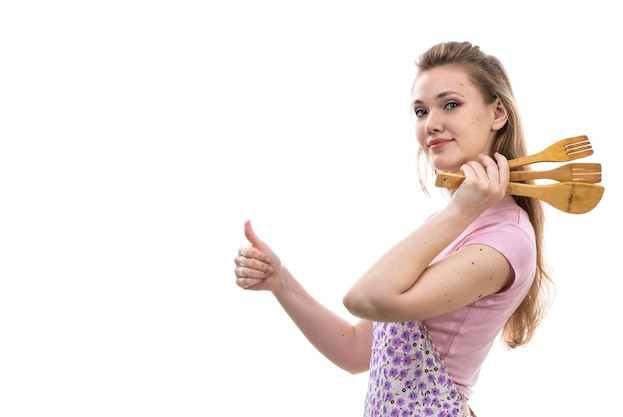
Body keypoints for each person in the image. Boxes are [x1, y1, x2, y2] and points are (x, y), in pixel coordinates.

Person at [233, 41, 552, 417]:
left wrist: (462, 206)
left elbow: (365, 297)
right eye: (421, 110)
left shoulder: (504, 240)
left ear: (497, 112)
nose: (431, 123)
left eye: (450, 104)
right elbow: (354, 350)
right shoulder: (460, 224)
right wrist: (281, 281)